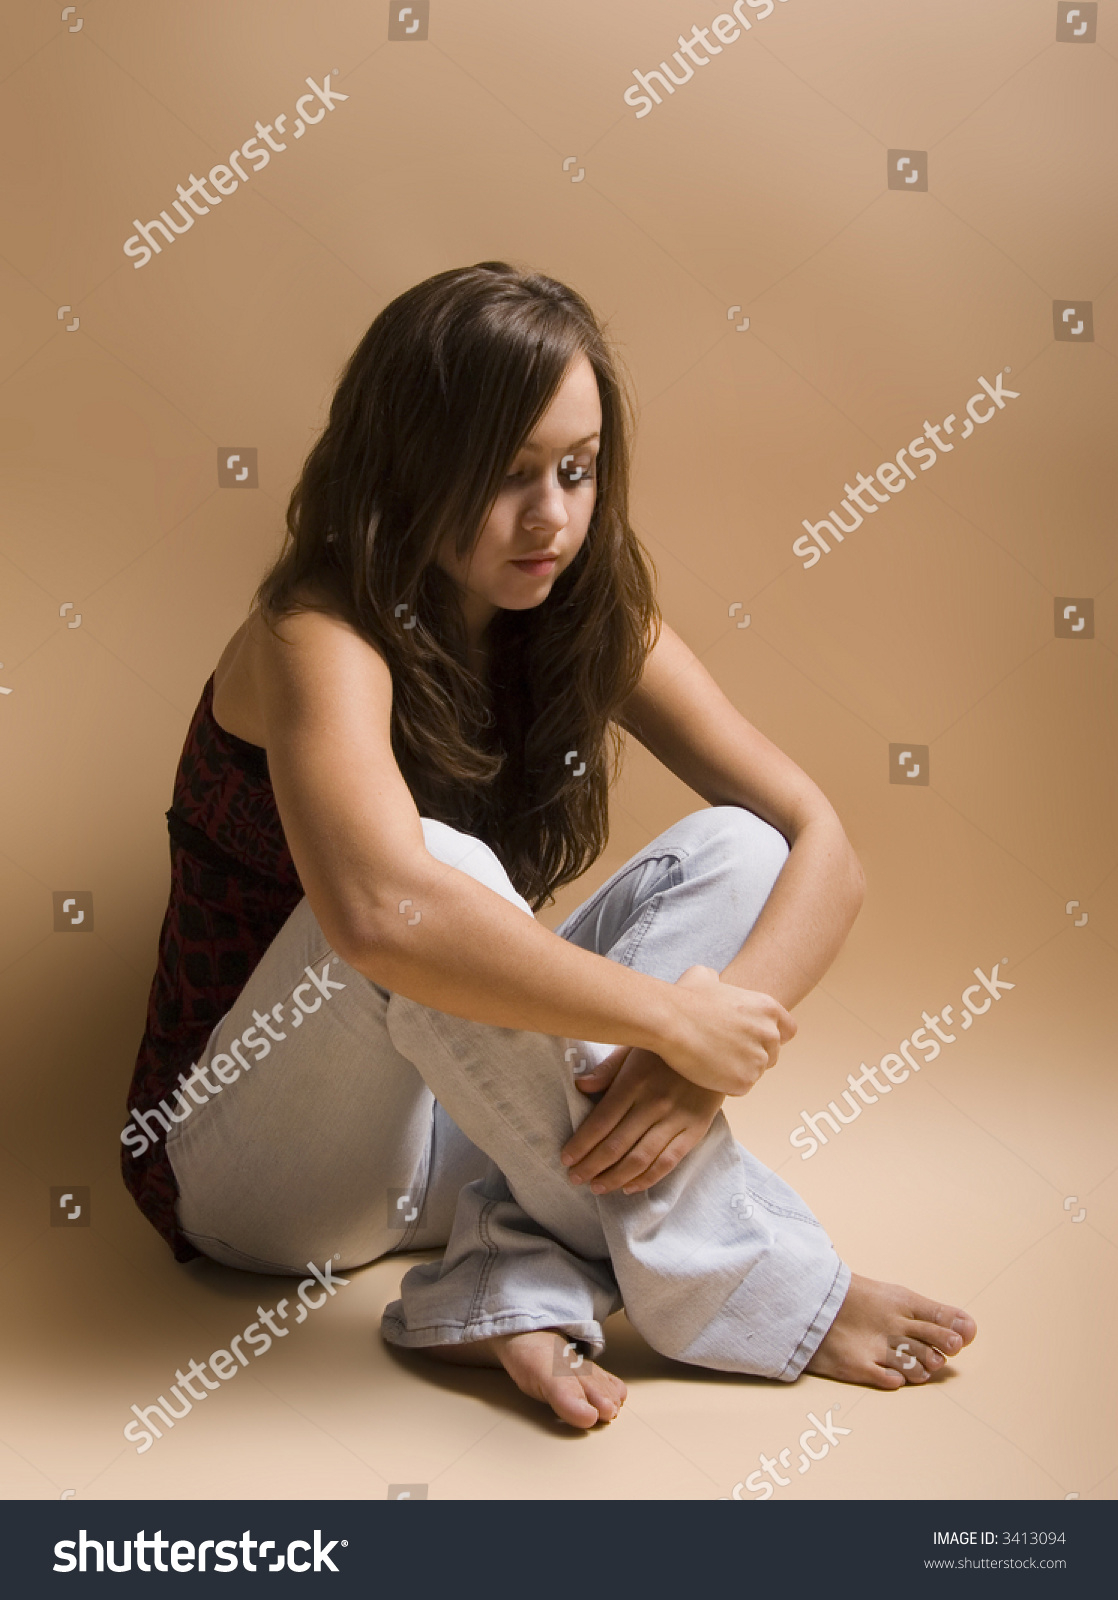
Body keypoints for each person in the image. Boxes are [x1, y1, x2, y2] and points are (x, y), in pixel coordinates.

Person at [122, 261, 976, 1430]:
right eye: (507, 475)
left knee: (735, 847)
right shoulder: (314, 632)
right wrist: (668, 1017)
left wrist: (686, 1070)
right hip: (262, 1183)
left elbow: (818, 838)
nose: (554, 517)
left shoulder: (579, 604)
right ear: (406, 468)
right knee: (439, 875)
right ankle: (745, 1277)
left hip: (474, 1133)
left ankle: (502, 1275)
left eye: (576, 470)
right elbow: (383, 914)